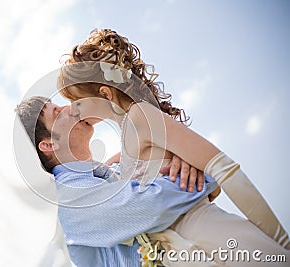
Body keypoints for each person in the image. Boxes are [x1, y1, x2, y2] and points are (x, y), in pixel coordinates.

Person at [55, 29, 290, 265]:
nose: (72, 111)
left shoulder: (142, 116)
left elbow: (224, 168)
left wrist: (280, 241)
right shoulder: (126, 139)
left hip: (218, 235)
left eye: (77, 102)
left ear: (104, 94)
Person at [15, 97, 289, 266]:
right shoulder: (73, 200)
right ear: (49, 144)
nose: (70, 109)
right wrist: (198, 171)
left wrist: (178, 160)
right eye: (57, 112)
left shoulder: (111, 169)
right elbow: (152, 205)